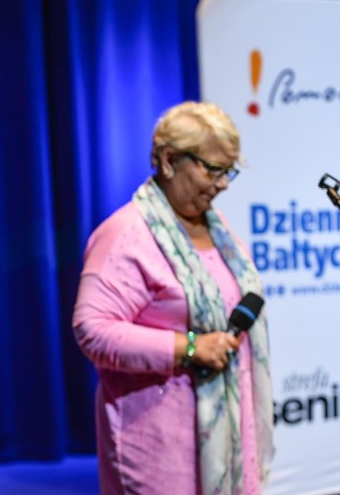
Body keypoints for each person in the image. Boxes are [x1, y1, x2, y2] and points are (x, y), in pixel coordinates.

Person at [72, 102, 274, 495]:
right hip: (158, 441)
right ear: (168, 160)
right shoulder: (125, 234)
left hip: (228, 438)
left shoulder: (219, 229)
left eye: (229, 171)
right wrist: (191, 348)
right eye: (213, 170)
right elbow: (91, 330)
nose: (223, 184)